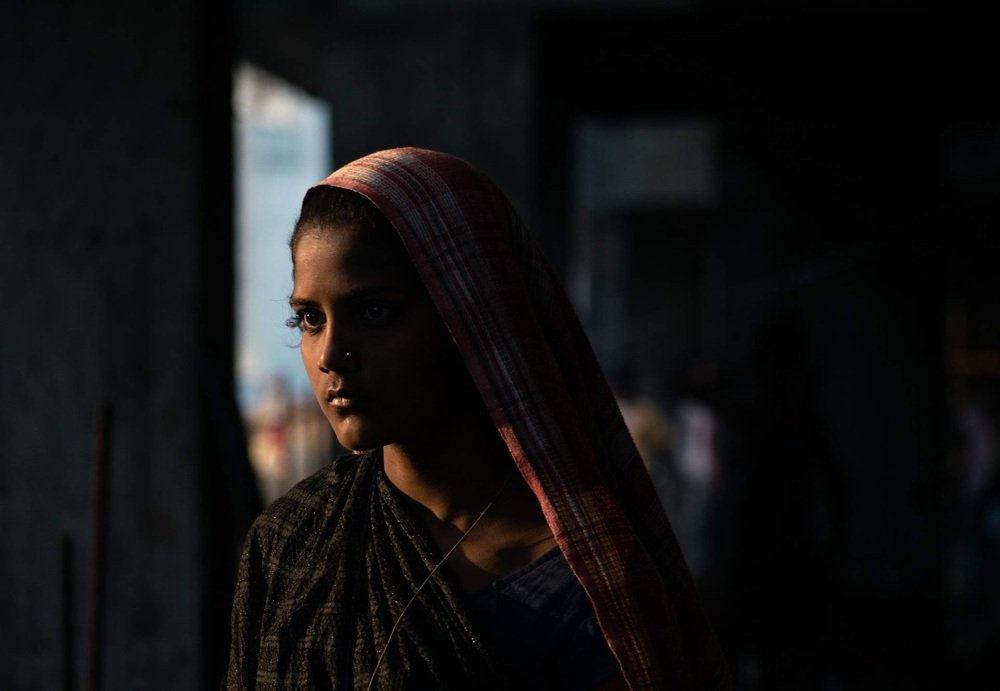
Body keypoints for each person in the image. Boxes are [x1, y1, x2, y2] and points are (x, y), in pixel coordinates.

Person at [225, 147, 731, 690]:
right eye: (309, 318)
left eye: (375, 311)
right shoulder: (291, 543)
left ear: (468, 316)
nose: (330, 354)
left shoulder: (587, 584)